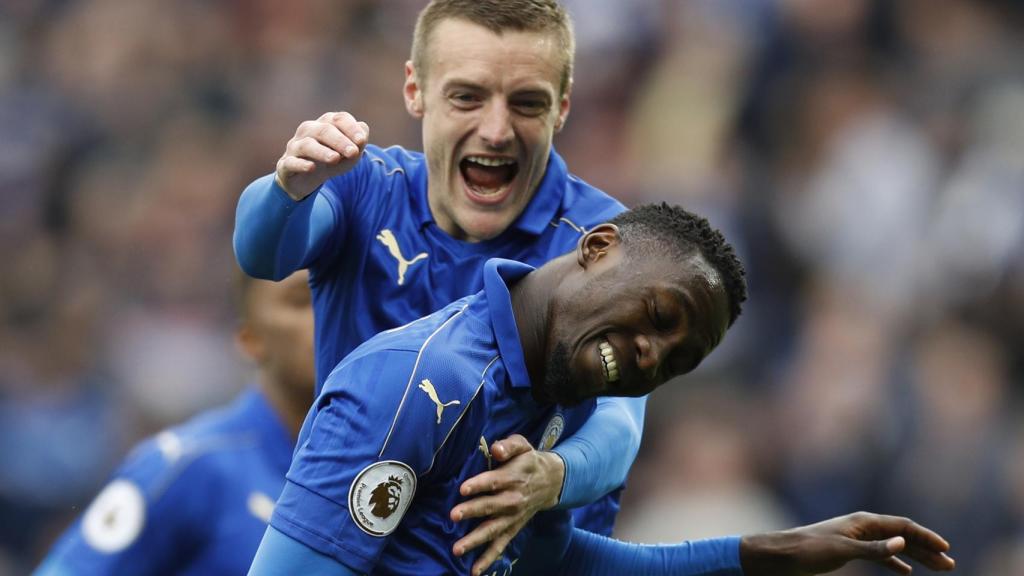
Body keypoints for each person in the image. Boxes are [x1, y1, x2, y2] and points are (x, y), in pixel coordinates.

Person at [247, 204, 955, 576]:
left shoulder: (553, 398)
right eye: (658, 317)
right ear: (597, 248)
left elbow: (559, 564)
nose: (651, 356)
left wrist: (778, 552)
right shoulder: (417, 383)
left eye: (676, 362)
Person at [234, 0, 639, 569]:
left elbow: (620, 426)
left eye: (527, 103)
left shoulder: (599, 245)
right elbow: (262, 253)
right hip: (361, 548)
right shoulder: (364, 191)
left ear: (563, 107)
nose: (496, 130)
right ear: (415, 90)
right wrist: (287, 186)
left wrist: (554, 473)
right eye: (467, 96)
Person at [33, 271, 315, 575]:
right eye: (302, 301)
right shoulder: (187, 468)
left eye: (344, 297)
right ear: (250, 338)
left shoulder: (364, 477)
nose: (330, 317)